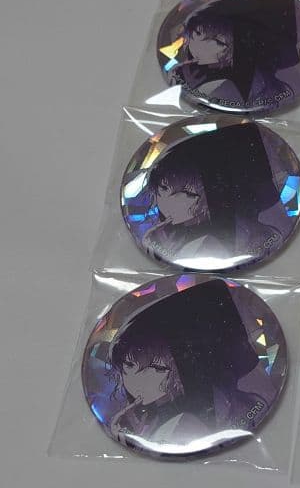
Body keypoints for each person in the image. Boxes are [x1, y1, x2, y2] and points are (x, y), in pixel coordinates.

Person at [105, 280, 267, 451]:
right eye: (129, 366)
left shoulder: (210, 411)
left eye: (156, 368)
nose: (138, 380)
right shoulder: (150, 419)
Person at [141, 123, 284, 265]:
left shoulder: (256, 236)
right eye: (164, 188)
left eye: (188, 193)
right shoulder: (159, 235)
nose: (169, 201)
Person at [166, 0, 298, 110]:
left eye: (219, 41)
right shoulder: (183, 73)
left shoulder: (250, 84)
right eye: (197, 33)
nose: (197, 42)